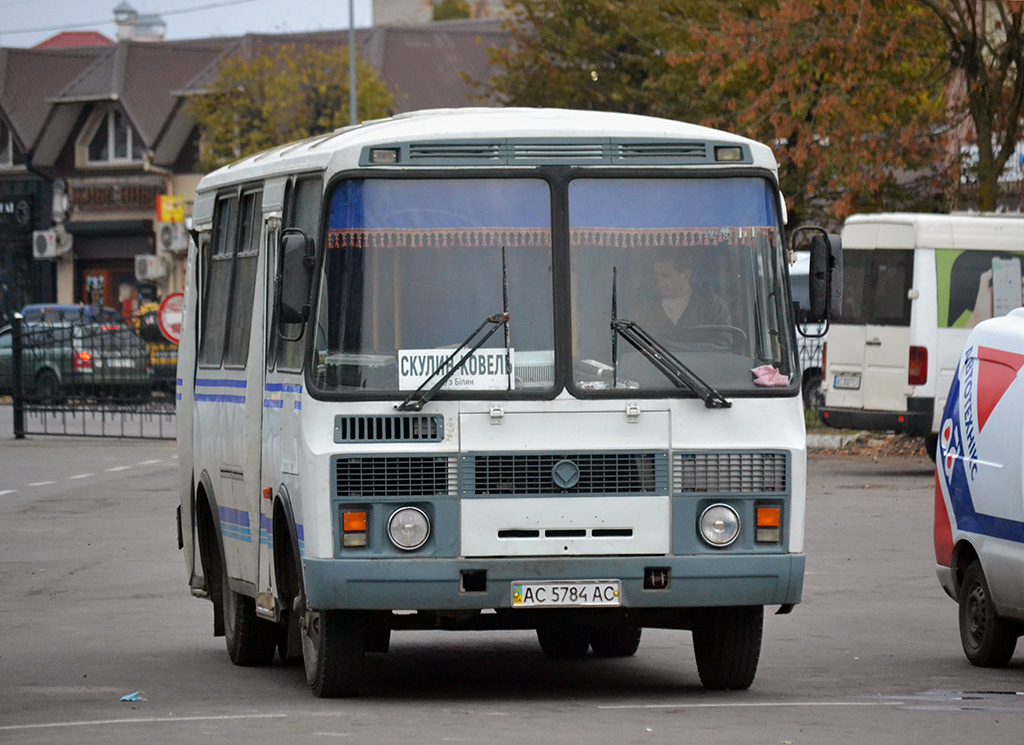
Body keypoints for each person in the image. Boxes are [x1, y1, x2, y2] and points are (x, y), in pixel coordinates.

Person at [629, 250, 731, 339]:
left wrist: (666, 346)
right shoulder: (644, 307)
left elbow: (722, 346)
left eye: (666, 276)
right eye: (657, 276)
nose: (659, 283)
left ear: (686, 275)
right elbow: (632, 346)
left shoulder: (712, 306)